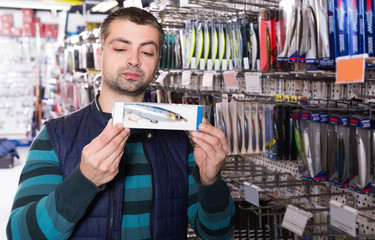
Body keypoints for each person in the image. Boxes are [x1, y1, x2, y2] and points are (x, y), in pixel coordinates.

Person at [7, 7, 235, 240]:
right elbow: (20, 234)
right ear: (99, 55)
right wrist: (84, 179)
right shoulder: (55, 136)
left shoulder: (179, 140)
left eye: (146, 52)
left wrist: (210, 182)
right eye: (120, 48)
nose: (134, 60)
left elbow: (217, 234)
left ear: (157, 62)